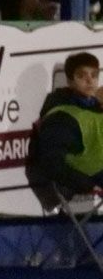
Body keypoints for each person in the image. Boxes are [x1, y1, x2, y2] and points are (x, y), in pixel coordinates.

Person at [30, 52, 103, 205]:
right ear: (70, 81)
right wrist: (88, 185)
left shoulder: (97, 107)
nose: (90, 80)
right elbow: (53, 163)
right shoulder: (61, 116)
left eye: (94, 75)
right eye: (82, 75)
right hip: (86, 177)